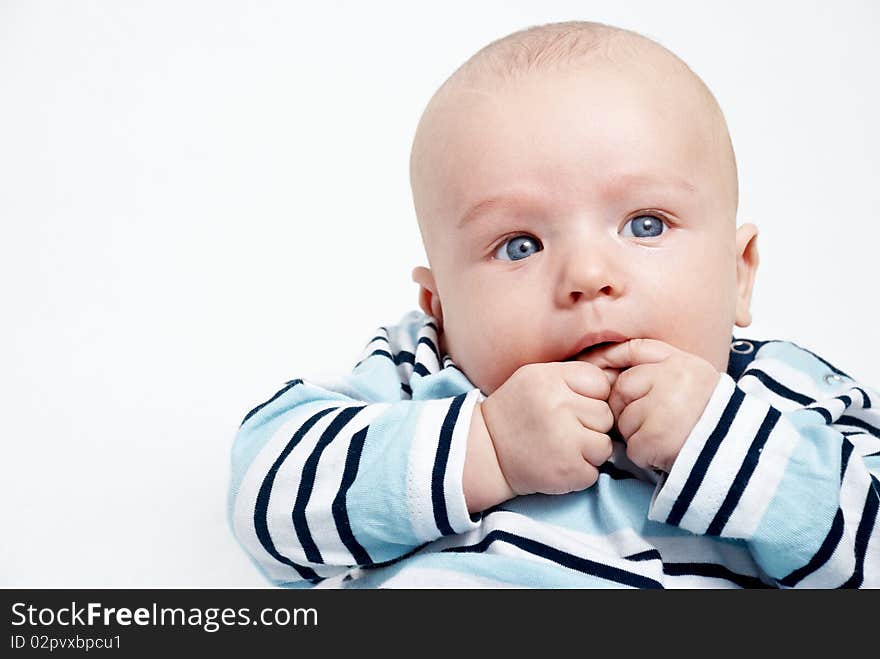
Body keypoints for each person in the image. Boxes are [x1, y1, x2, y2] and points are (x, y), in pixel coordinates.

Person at [228, 21, 880, 588]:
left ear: (738, 275)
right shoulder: (423, 373)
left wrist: (722, 441)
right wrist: (486, 446)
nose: (587, 276)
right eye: (519, 245)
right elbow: (263, 498)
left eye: (645, 224)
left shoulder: (785, 399)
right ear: (441, 309)